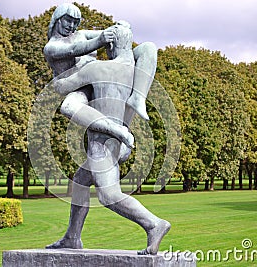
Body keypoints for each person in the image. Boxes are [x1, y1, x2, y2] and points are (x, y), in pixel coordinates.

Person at [43, 3, 169, 255]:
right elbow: (77, 48)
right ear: (56, 20)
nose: (72, 26)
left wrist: (112, 33)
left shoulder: (97, 66)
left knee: (108, 195)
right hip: (87, 91)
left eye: (75, 22)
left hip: (90, 99)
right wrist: (105, 36)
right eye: (67, 21)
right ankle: (72, 237)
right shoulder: (54, 46)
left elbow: (62, 88)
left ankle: (153, 224)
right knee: (80, 181)